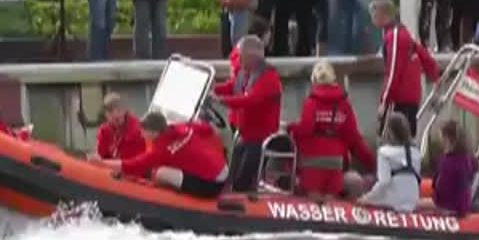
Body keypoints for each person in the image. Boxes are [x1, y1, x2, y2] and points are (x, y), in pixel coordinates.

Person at [288, 59, 376, 198]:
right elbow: (353, 137)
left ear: (314, 79)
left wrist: (290, 128)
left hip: (312, 161)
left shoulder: (312, 102)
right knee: (332, 204)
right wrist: (372, 163)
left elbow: (306, 129)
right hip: (335, 161)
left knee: (313, 203)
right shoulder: (344, 104)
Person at [100, 111, 229, 198]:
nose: (141, 134)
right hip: (222, 169)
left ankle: (171, 198)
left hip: (213, 184)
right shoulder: (183, 127)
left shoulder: (161, 151)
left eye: (143, 131)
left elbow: (132, 166)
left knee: (160, 173)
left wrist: (100, 163)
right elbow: (206, 129)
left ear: (154, 132)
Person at [213, 34, 282, 191]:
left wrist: (222, 100)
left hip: (259, 138)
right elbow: (232, 86)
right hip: (245, 134)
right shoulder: (245, 73)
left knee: (243, 177)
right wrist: (212, 88)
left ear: (251, 57)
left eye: (241, 56)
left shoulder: (269, 77)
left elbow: (251, 100)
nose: (238, 61)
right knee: (233, 174)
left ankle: (246, 192)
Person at [372, 0, 439, 139]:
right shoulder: (403, 32)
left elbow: (393, 71)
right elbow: (426, 59)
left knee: (391, 139)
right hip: (411, 95)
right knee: (408, 138)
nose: (372, 20)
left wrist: (384, 101)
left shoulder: (395, 35)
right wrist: (435, 82)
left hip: (400, 97)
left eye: (374, 15)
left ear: (382, 15)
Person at [359, 112, 422, 212]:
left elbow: (384, 182)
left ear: (390, 132)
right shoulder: (416, 153)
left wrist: (366, 198)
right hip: (412, 201)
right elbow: (416, 180)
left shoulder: (384, 152)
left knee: (366, 186)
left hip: (392, 202)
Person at [432, 120, 479, 216]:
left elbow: (461, 186)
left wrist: (460, 211)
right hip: (449, 204)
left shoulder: (453, 161)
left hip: (450, 207)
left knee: (415, 206)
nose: (439, 139)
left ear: (447, 138)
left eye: (441, 136)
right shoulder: (466, 158)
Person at [90, 92, 147, 166]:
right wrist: (97, 157)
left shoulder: (137, 128)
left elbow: (135, 160)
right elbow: (101, 153)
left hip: (134, 168)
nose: (115, 114)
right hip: (113, 167)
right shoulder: (104, 130)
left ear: (124, 110)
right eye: (110, 112)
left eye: (118, 110)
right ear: (106, 114)